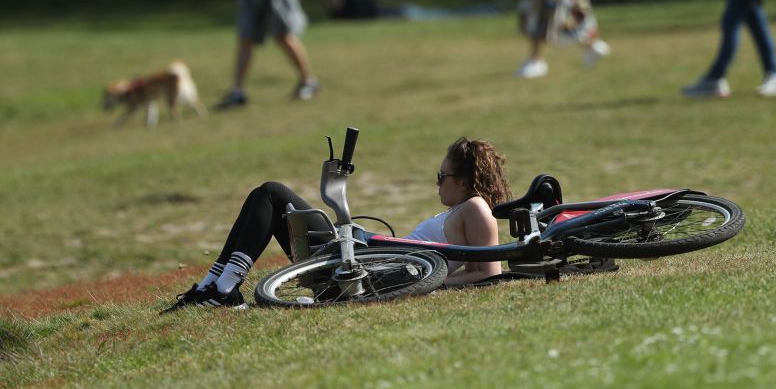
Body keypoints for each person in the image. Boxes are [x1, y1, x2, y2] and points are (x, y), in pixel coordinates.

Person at [162, 137, 513, 311]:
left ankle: (222, 290)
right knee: (265, 195)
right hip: (368, 264)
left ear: (465, 182)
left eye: (442, 176)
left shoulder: (476, 208)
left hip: (372, 274)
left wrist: (428, 284)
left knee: (271, 194)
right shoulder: (460, 210)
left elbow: (489, 273)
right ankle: (215, 284)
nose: (437, 182)